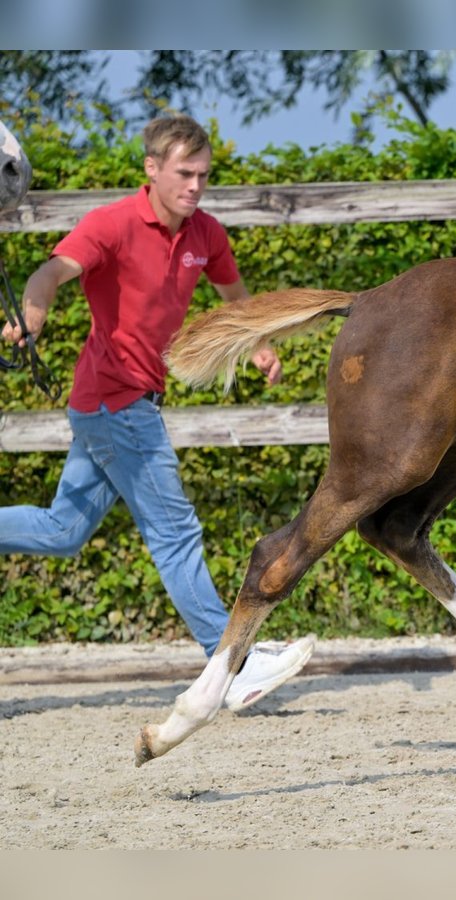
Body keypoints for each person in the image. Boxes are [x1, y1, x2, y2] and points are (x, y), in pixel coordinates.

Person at [1, 115, 314, 709]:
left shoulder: (206, 235)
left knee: (62, 531)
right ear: (151, 169)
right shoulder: (112, 224)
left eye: (203, 175)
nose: (195, 186)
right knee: (175, 535)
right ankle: (232, 665)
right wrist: (34, 312)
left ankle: (230, 661)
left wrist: (259, 344)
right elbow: (52, 271)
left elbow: (235, 302)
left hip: (112, 405)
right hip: (117, 404)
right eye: (184, 173)